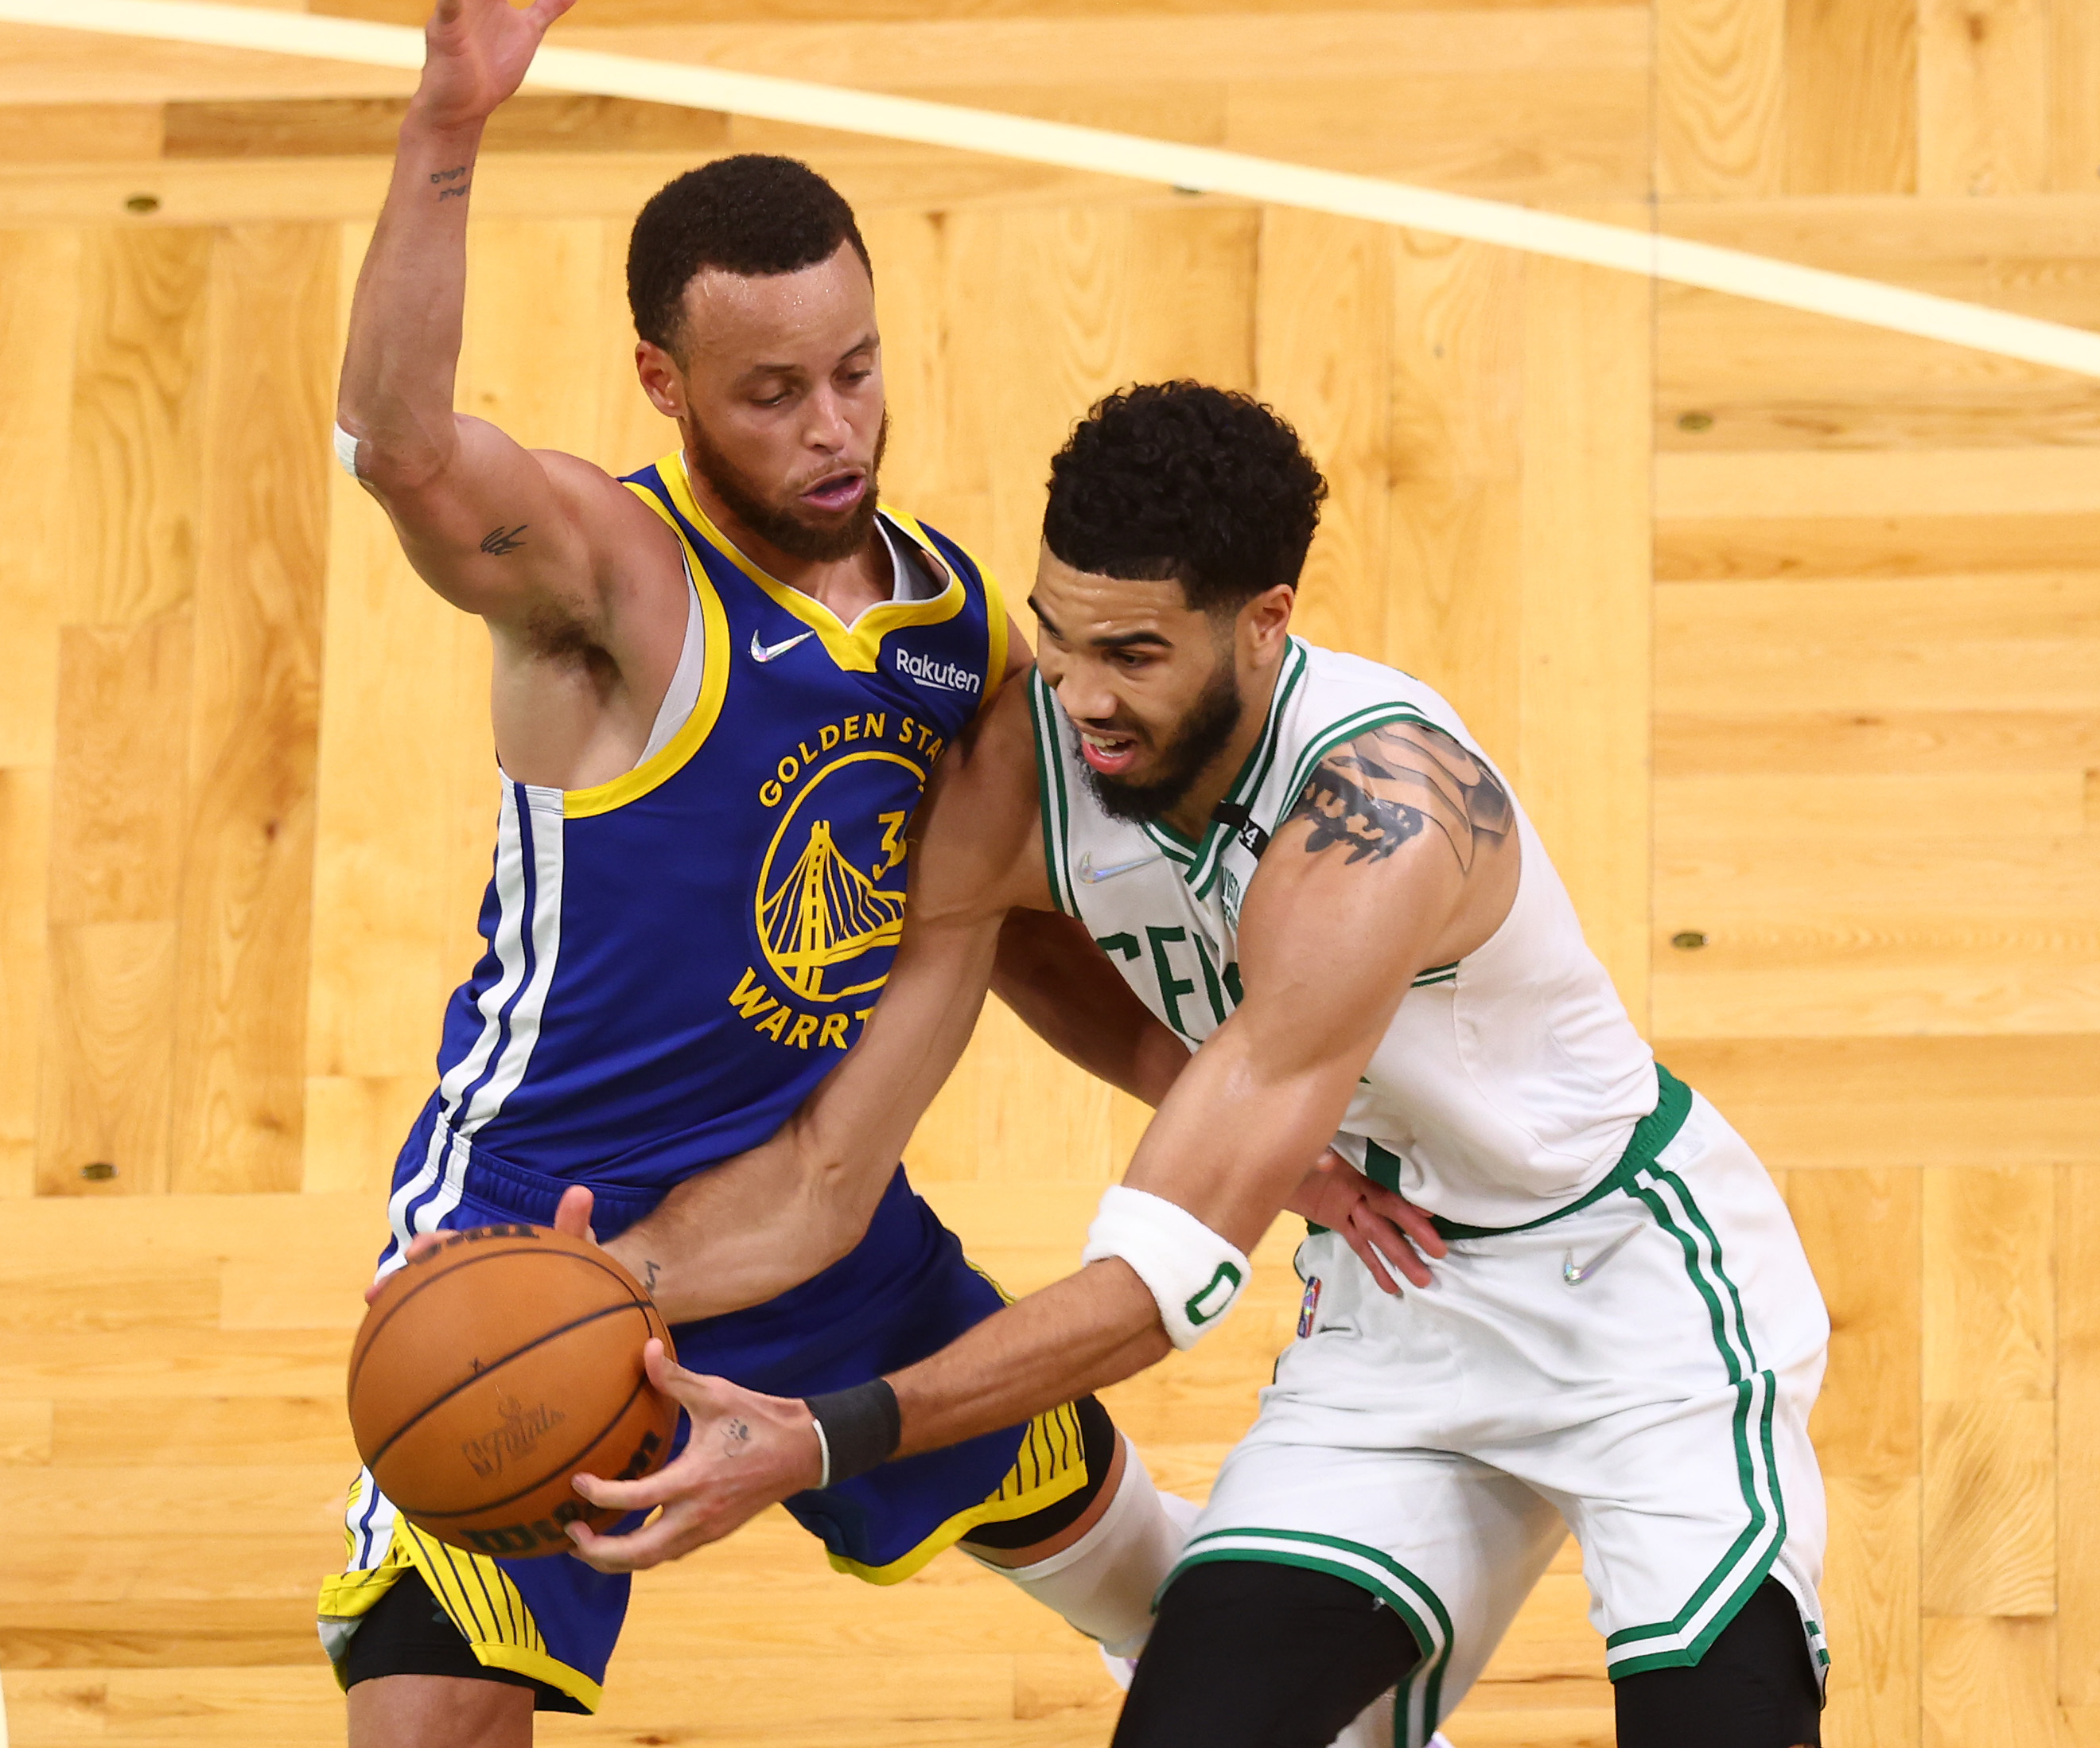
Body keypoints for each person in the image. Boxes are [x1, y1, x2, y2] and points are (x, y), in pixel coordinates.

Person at [317, 0, 1432, 1748]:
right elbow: (404, 444)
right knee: (431, 1723)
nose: (830, 428)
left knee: (1086, 1511)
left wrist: (1232, 1114)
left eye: (854, 371)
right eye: (768, 394)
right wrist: (443, 135)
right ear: (665, 383)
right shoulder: (610, 586)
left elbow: (1010, 925)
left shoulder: (947, 629)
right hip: (547, 1227)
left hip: (819, 1202)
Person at [572, 382, 1836, 1748]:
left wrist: (821, 1436)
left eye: (1134, 653)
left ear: (1265, 621)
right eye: (1056, 639)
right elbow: (835, 1160)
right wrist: (601, 1287)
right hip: (1398, 1305)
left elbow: (1151, 1294)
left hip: (1634, 1298)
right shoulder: (1026, 756)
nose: (1082, 697)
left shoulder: (1382, 818)